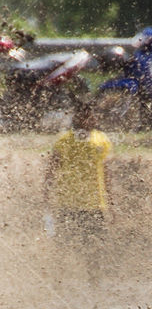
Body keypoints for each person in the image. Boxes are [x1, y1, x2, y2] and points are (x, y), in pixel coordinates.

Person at [43, 103, 112, 241]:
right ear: (76, 118)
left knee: (96, 246)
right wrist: (47, 194)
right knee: (66, 244)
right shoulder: (63, 140)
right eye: (83, 116)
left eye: (90, 116)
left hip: (95, 205)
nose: (87, 120)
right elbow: (52, 169)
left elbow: (106, 173)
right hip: (67, 204)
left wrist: (110, 202)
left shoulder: (102, 140)